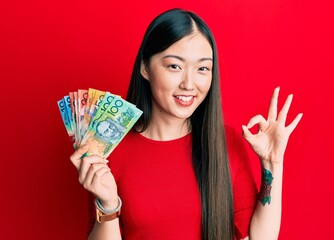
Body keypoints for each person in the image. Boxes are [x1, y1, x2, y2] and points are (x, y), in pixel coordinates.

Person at [70, 8, 303, 240]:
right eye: (175, 66)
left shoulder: (226, 142)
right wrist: (108, 205)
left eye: (203, 68)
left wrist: (273, 163)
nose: (189, 84)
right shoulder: (109, 147)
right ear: (145, 68)